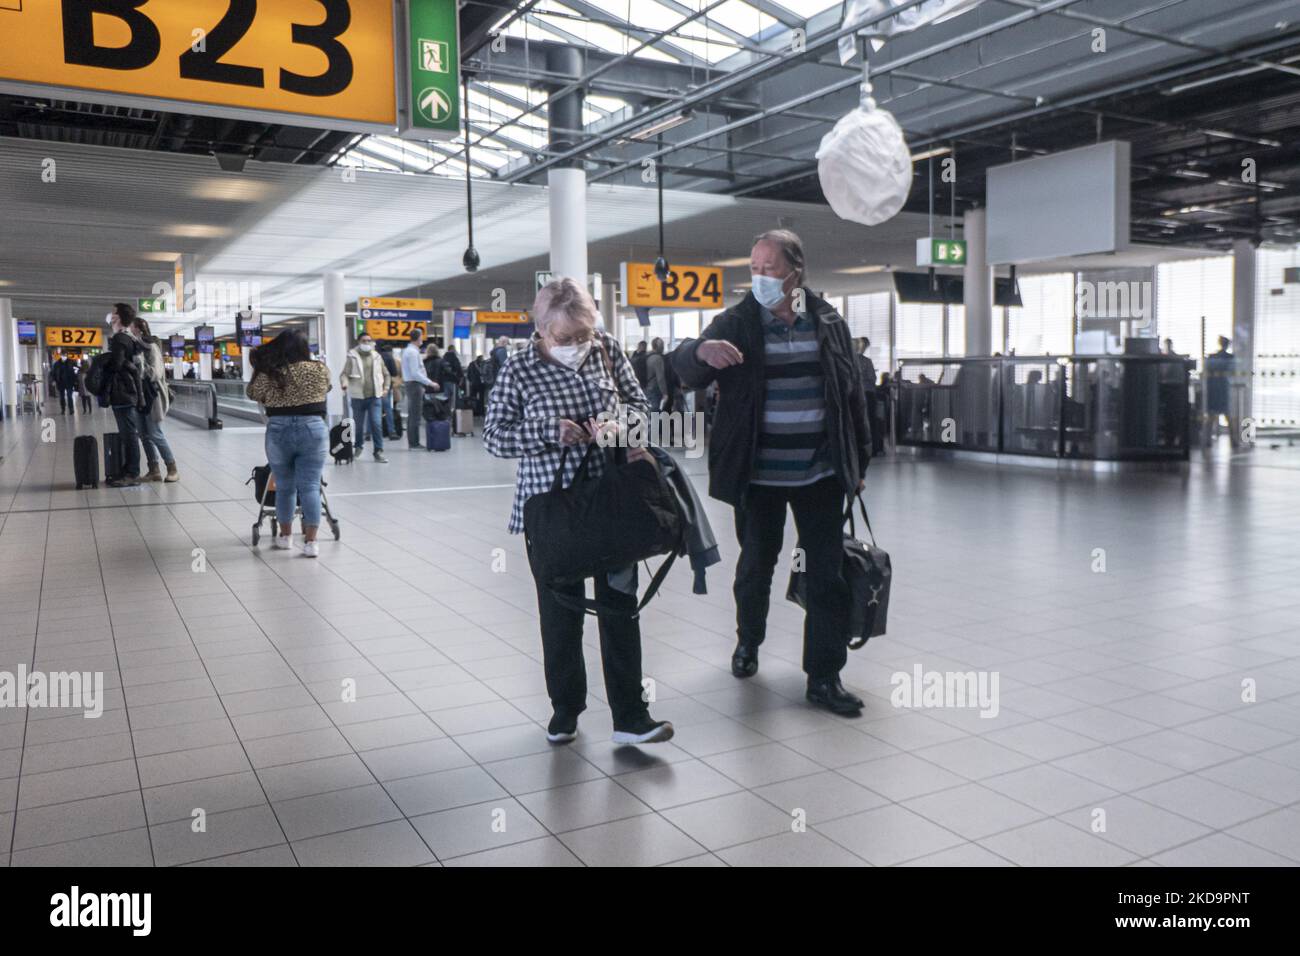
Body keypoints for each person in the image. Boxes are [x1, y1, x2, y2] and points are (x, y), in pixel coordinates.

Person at [670, 229, 870, 716]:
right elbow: (683, 367)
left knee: (827, 576)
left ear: (795, 271)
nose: (758, 276)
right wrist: (700, 352)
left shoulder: (827, 320)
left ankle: (824, 676)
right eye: (753, 268)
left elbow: (851, 397)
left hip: (820, 474)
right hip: (757, 477)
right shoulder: (737, 322)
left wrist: (857, 461)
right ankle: (748, 642)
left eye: (768, 268)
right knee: (756, 565)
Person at [483, 277, 673, 746]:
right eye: (565, 339)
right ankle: (565, 710)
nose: (576, 346)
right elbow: (494, 436)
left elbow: (640, 408)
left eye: (582, 336)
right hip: (553, 508)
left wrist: (616, 426)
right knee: (559, 611)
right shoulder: (519, 367)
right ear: (542, 329)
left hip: (612, 499)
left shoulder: (606, 348)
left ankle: (631, 716)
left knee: (620, 607)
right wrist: (550, 431)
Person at [247, 328, 332, 558]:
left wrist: (261, 367)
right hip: (313, 428)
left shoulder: (271, 372)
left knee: (285, 486)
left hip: (279, 429)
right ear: (305, 349)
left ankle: (286, 537)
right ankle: (311, 543)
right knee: (311, 487)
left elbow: (252, 393)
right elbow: (327, 388)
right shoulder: (319, 369)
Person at [103, 303, 148, 488]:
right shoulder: (127, 337)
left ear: (119, 317)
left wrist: (105, 364)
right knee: (127, 432)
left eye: (113, 313)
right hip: (126, 391)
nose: (110, 316)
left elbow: (117, 363)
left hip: (123, 391)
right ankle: (128, 470)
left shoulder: (121, 338)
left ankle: (132, 473)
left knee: (129, 433)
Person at [130, 316, 179, 482]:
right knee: (143, 434)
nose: (130, 329)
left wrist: (140, 364)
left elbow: (155, 374)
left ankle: (172, 468)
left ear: (139, 328)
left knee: (155, 433)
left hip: (152, 396)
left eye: (132, 326)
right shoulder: (134, 348)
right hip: (138, 396)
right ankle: (154, 469)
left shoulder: (151, 347)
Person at [339, 332, 391, 463]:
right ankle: (358, 447)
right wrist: (344, 384)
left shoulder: (376, 356)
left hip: (375, 397)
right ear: (359, 342)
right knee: (359, 426)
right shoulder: (352, 356)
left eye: (369, 340)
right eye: (364, 340)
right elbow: (344, 374)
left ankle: (378, 451)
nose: (367, 343)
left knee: (376, 424)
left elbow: (387, 374)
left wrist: (386, 388)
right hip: (358, 397)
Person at [401, 327, 437, 449]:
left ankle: (413, 442)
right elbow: (415, 372)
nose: (423, 338)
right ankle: (414, 443)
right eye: (421, 336)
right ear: (418, 338)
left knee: (413, 414)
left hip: (412, 384)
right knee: (415, 415)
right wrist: (430, 383)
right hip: (414, 385)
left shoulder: (410, 351)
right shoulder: (412, 352)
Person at [1205, 335, 1240, 446]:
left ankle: (1207, 441)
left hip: (1212, 387)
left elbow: (1206, 370)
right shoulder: (1230, 358)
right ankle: (1234, 441)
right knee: (1228, 415)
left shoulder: (1211, 357)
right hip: (1224, 388)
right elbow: (1232, 371)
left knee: (1211, 416)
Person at [379, 342, 399, 438]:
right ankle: (391, 431)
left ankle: (369, 433)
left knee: (374, 410)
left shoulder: (376, 357)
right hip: (386, 387)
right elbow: (394, 373)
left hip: (375, 386)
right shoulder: (390, 358)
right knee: (388, 409)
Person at [644, 337, 668, 412]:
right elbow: (660, 378)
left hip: (645, 388)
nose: (663, 348)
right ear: (658, 346)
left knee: (648, 412)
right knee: (655, 413)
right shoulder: (658, 358)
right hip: (654, 390)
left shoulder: (646, 356)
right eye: (662, 346)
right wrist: (665, 393)